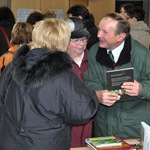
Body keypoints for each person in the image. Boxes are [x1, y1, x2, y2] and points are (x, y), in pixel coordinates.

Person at [0, 18, 98, 150]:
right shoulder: (62, 73)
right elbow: (82, 112)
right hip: (46, 143)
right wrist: (93, 95)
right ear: (63, 41)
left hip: (10, 141)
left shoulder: (14, 65)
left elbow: (2, 99)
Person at [84, 12, 150, 140]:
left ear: (121, 36)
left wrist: (141, 89)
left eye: (105, 32)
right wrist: (97, 94)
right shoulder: (94, 51)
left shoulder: (143, 55)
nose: (98, 35)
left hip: (132, 130)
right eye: (99, 30)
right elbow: (91, 80)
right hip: (103, 128)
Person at [66, 17, 92, 147]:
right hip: (68, 124)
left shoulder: (94, 59)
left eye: (84, 39)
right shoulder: (59, 64)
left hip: (91, 124)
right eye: (76, 40)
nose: (82, 44)